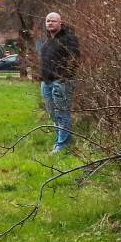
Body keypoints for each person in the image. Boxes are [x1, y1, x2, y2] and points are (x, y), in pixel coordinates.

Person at [39, 11, 80, 152]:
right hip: (47, 82)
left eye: (53, 21)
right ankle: (58, 141)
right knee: (53, 114)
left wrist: (64, 77)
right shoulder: (48, 40)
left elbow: (74, 59)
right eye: (48, 21)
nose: (50, 23)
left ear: (60, 22)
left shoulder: (69, 39)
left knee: (62, 113)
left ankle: (63, 145)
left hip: (61, 82)